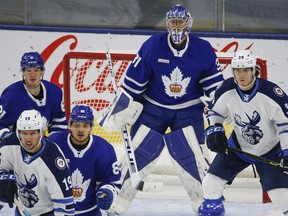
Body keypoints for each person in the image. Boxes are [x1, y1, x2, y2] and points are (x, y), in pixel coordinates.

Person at [99, 4, 224, 215]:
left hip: (188, 111)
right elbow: (132, 86)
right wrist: (119, 109)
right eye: (173, 22)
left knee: (193, 158)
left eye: (180, 22)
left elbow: (215, 90)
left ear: (188, 24)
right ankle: (116, 205)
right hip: (153, 108)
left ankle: (206, 206)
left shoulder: (203, 49)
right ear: (168, 23)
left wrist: (219, 117)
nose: (176, 27)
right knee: (138, 154)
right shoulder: (153, 45)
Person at [198, 50, 288, 216]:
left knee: (281, 196)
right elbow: (215, 113)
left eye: (246, 70)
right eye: (237, 70)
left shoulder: (272, 94)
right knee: (210, 184)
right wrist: (215, 129)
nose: (241, 75)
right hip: (237, 148)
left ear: (254, 70)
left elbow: (285, 125)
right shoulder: (226, 89)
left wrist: (287, 151)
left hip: (270, 152)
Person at [48, 105, 121, 216]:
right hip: (56, 212)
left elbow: (111, 181)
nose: (81, 130)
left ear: (91, 127)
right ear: (70, 125)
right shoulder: (54, 143)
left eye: (85, 126)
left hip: (89, 212)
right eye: (77, 125)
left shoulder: (104, 149)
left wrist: (107, 191)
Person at [0, 109, 74, 215]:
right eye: (24, 133)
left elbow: (66, 204)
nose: (28, 139)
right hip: (21, 211)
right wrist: (4, 178)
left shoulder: (53, 158)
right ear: (18, 132)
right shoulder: (8, 145)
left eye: (33, 133)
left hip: (49, 212)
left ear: (41, 132)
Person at [0, 51, 67, 139]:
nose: (32, 74)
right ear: (23, 72)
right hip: (17, 146)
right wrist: (10, 139)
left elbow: (60, 124)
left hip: (41, 145)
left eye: (36, 70)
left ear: (42, 71)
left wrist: (51, 142)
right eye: (28, 70)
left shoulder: (54, 92)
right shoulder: (11, 96)